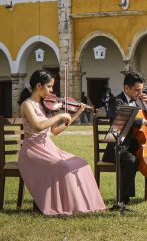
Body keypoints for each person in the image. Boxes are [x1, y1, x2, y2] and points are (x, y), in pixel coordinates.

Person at [17, 69, 105, 215]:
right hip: (32, 151)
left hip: (49, 148)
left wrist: (76, 114)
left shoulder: (46, 105)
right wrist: (59, 116)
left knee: (81, 164)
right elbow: (38, 127)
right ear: (39, 86)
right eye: (49, 86)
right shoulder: (27, 105)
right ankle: (67, 206)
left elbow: (54, 132)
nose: (51, 91)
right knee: (64, 167)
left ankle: (84, 205)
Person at [102, 71, 147, 204]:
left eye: (142, 90)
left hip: (138, 146)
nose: (140, 94)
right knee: (131, 160)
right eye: (137, 90)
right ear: (126, 88)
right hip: (120, 148)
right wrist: (143, 122)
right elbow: (119, 115)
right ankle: (124, 199)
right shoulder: (116, 101)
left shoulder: (139, 102)